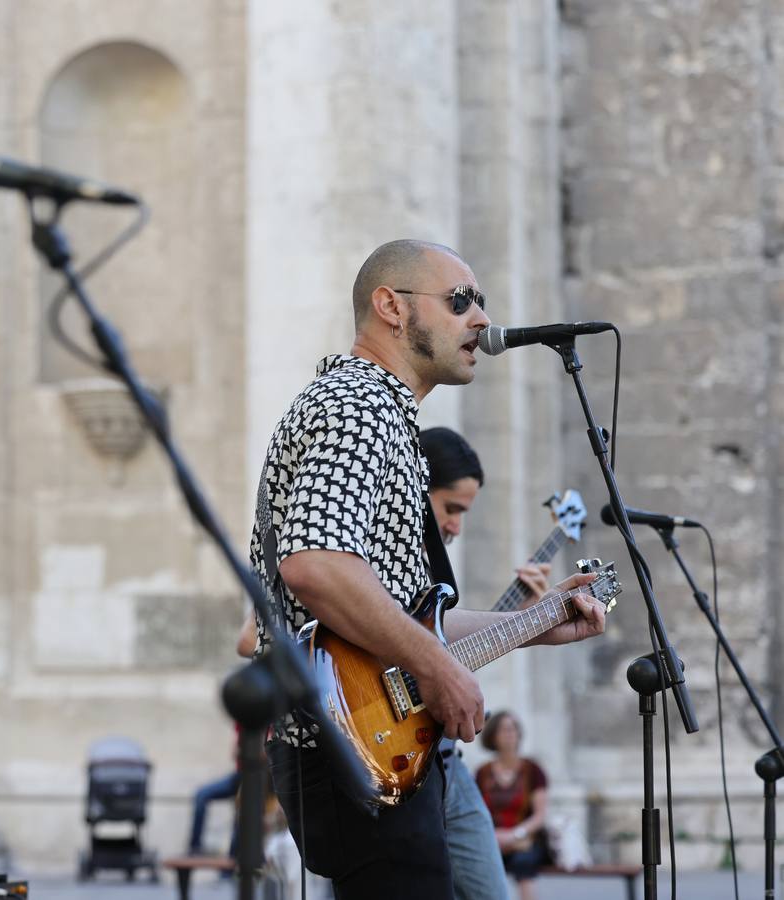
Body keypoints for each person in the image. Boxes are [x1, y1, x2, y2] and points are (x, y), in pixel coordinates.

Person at [250, 239, 606, 898]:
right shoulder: (357, 405)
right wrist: (440, 670)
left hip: (373, 744)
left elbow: (410, 617)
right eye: (459, 301)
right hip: (350, 744)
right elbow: (316, 565)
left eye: (482, 302)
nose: (481, 319)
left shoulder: (382, 416)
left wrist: (534, 621)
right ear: (390, 306)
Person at [420, 426, 549, 900]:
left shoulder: (430, 572)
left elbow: (444, 644)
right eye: (451, 508)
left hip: (445, 763)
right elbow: (256, 636)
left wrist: (522, 621)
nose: (456, 526)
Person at [476, 711, 550, 900]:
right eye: (503, 729)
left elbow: (540, 816)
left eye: (513, 729)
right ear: (493, 736)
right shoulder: (482, 773)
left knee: (523, 861)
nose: (509, 734)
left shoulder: (533, 770)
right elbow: (475, 814)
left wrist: (515, 835)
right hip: (493, 840)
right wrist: (494, 837)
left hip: (525, 840)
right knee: (478, 863)